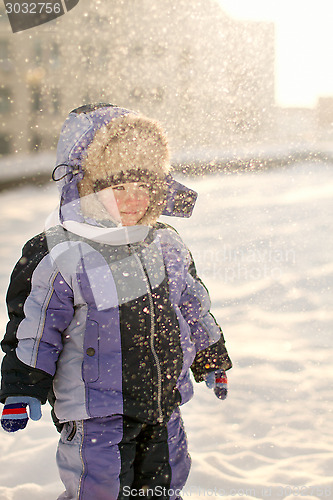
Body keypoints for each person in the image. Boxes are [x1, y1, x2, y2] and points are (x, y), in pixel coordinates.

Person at [0, 103, 232, 500]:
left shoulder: (166, 245)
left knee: (165, 482)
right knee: (99, 488)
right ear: (88, 188)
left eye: (143, 188)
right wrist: (22, 387)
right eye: (118, 188)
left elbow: (193, 308)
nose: (132, 200)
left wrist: (211, 356)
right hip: (96, 413)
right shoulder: (62, 252)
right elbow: (36, 328)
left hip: (162, 404)